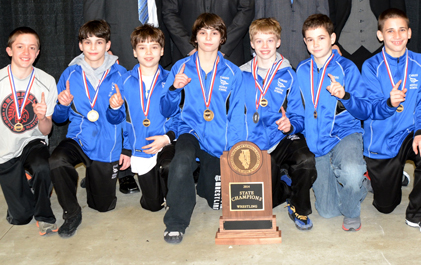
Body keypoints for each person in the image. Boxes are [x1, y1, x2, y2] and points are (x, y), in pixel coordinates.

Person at [83, 0, 172, 194]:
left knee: (155, 105)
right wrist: (103, 49)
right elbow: (94, 7)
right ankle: (123, 169)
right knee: (120, 106)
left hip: (156, 46)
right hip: (120, 46)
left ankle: (158, 159)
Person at [160, 13, 245, 244]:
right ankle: (176, 221)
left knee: (214, 201)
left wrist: (233, 149)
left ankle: (202, 181)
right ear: (195, 37)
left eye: (214, 33)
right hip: (191, 130)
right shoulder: (181, 66)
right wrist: (174, 90)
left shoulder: (232, 72)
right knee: (181, 160)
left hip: (220, 139)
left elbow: (237, 115)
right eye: (203, 32)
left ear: (222, 38)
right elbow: (166, 110)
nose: (208, 37)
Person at [362, 9, 421, 236]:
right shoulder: (370, 66)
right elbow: (370, 108)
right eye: (390, 30)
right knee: (385, 207)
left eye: (401, 30)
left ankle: (419, 214)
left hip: (410, 133)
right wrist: (388, 102)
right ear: (380, 35)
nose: (396, 35)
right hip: (382, 140)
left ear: (409, 33)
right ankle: (387, 177)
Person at [49, 20, 129, 238]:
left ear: (107, 45)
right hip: (79, 137)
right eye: (88, 42)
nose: (93, 47)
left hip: (107, 143)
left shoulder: (121, 74)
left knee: (103, 206)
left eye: (99, 42)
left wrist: (115, 109)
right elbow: (58, 119)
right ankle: (72, 212)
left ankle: (94, 176)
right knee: (57, 160)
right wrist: (62, 106)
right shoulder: (69, 74)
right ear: (80, 46)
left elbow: (123, 119)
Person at [297, 14, 373, 232]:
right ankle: (358, 186)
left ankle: (353, 200)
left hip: (344, 133)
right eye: (310, 39)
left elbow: (365, 109)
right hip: (316, 140)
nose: (315, 44)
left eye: (321, 38)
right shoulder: (301, 70)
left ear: (333, 38)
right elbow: (296, 111)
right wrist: (291, 125)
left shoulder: (347, 68)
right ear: (304, 42)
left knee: (351, 172)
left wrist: (346, 95)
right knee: (328, 211)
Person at [0, 27, 58, 236]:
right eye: (20, 46)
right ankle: (24, 183)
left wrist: (42, 117)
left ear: (38, 53)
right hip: (5, 151)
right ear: (9, 50)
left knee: (43, 166)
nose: (26, 52)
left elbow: (47, 130)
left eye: (32, 48)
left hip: (32, 142)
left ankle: (45, 216)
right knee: (21, 218)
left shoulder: (47, 82)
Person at [240, 18, 317, 230]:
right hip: (253, 143)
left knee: (305, 159)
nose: (265, 46)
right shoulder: (240, 75)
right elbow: (234, 115)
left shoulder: (289, 75)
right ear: (252, 44)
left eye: (270, 40)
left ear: (278, 42)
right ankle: (285, 185)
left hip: (280, 139)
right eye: (259, 41)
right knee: (264, 202)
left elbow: (299, 116)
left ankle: (299, 208)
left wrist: (290, 124)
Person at [106, 25, 177, 212]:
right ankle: (157, 192)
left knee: (169, 167)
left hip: (165, 143)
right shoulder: (124, 81)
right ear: (134, 52)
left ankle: (173, 194)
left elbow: (181, 117)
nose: (148, 52)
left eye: (154, 47)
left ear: (162, 51)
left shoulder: (172, 79)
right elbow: (117, 121)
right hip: (141, 148)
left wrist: (167, 138)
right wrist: (113, 108)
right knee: (152, 205)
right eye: (142, 47)